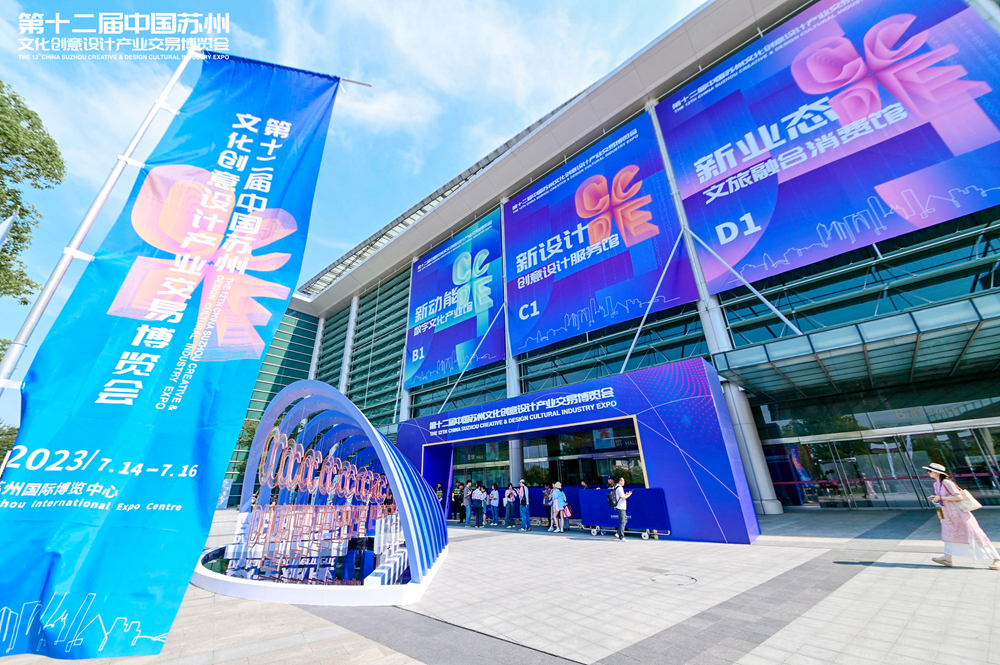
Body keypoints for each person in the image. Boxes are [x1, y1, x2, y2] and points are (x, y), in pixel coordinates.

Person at [926, 463, 1000, 569]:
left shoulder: (947, 482)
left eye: (930, 471)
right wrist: (936, 498)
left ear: (937, 472)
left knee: (974, 534)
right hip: (947, 513)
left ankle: (997, 559)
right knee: (950, 534)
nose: (928, 473)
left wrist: (941, 498)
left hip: (958, 513)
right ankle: (947, 557)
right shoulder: (937, 484)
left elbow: (959, 497)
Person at [614, 477, 633, 542]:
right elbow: (623, 498)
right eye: (623, 480)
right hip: (620, 507)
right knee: (622, 521)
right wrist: (629, 495)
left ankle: (618, 532)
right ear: (619, 481)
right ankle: (621, 537)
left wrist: (625, 494)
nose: (624, 482)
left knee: (625, 520)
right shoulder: (619, 488)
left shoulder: (617, 487)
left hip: (620, 506)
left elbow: (621, 496)